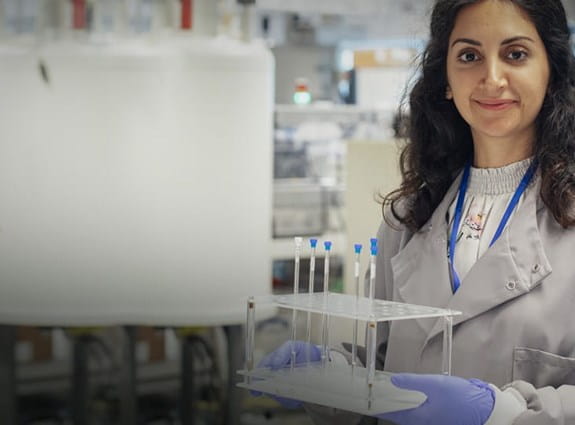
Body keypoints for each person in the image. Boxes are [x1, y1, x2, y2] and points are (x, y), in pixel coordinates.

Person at [254, 0, 575, 424]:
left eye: (515, 55)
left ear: (550, 71)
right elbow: (385, 364)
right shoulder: (408, 218)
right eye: (469, 55)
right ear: (445, 79)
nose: (492, 78)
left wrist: (504, 412)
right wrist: (327, 376)